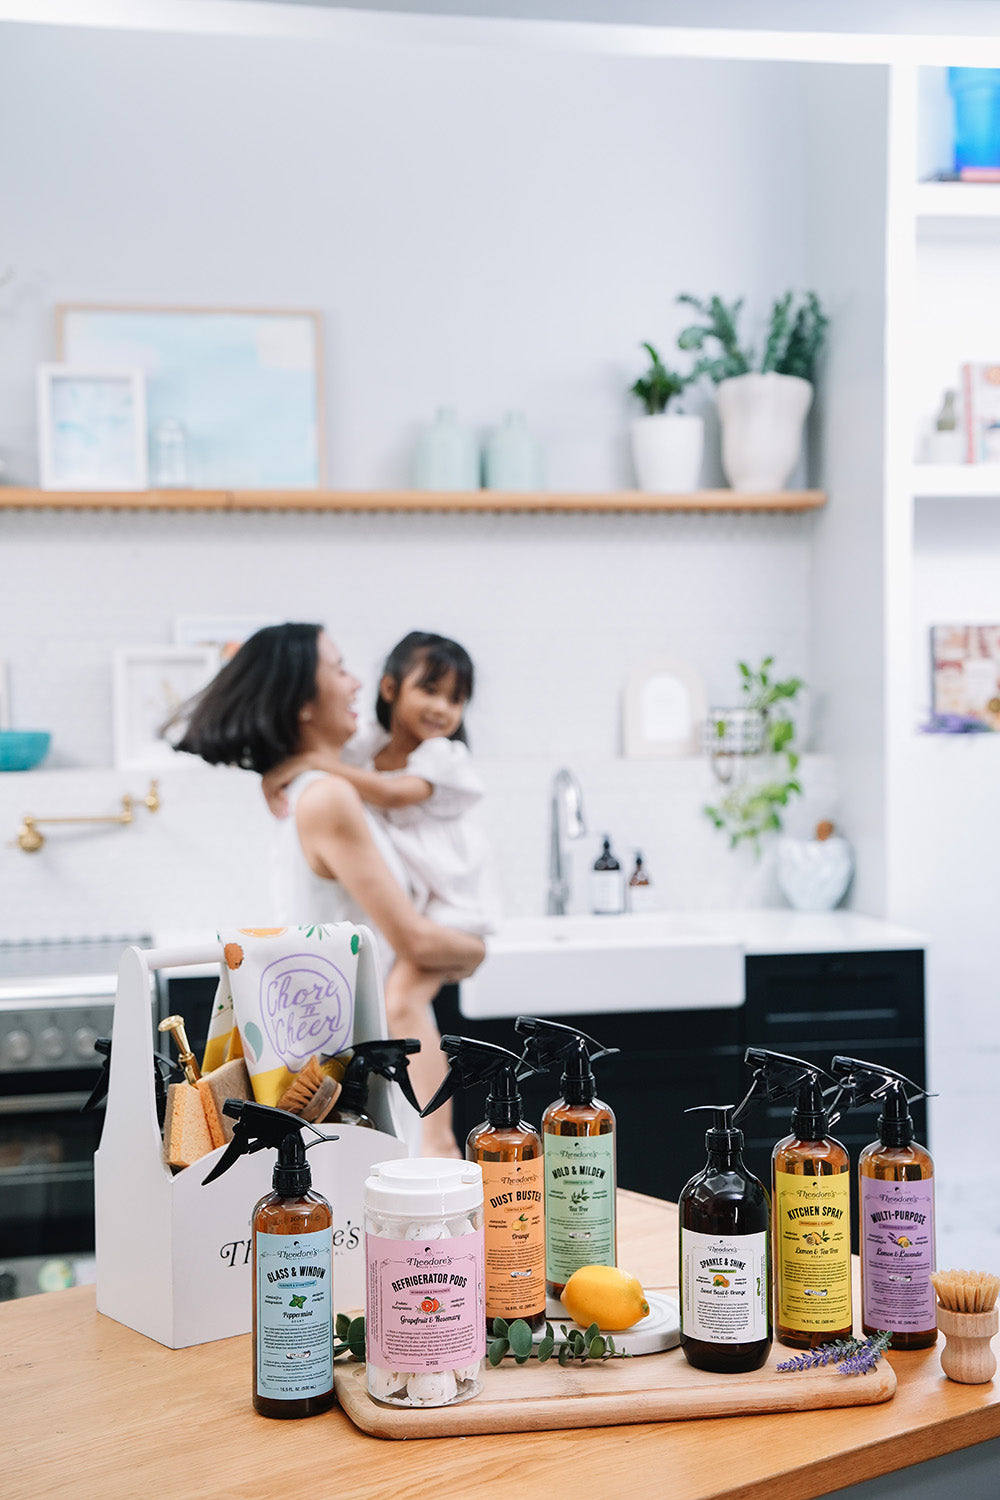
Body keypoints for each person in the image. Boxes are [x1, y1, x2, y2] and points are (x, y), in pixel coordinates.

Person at [171, 623, 485, 1157]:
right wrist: (475, 948)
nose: (357, 683)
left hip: (369, 1053)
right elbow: (416, 943)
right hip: (371, 1063)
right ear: (303, 702)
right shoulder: (328, 797)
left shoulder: (320, 789)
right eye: (338, 668)